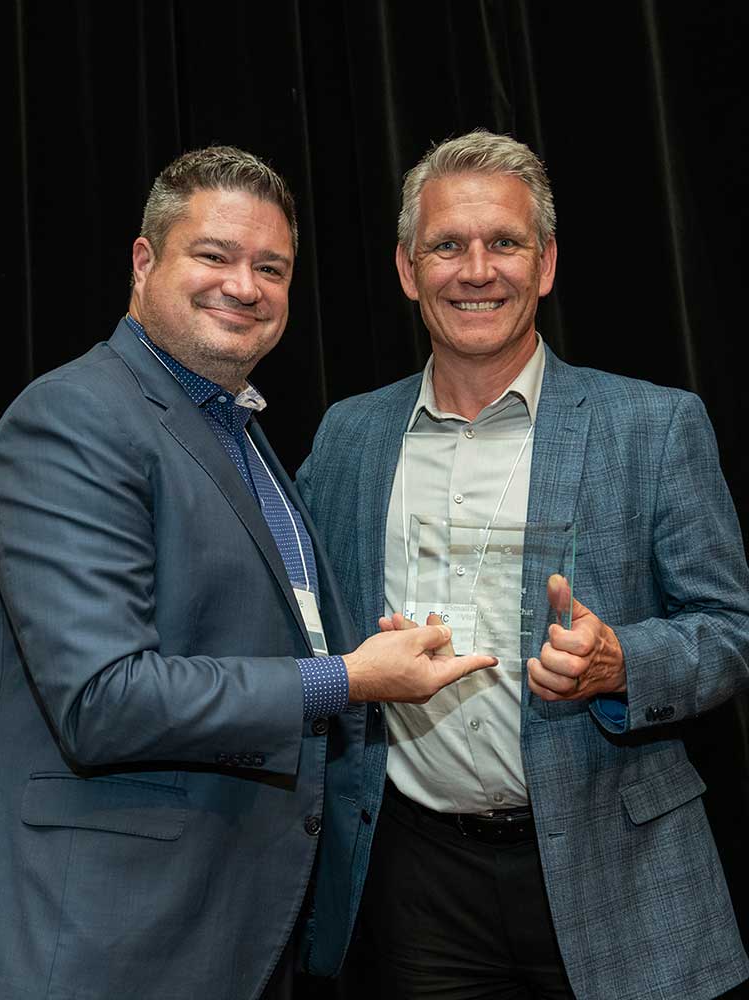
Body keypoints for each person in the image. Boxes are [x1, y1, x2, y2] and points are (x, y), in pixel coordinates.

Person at [0, 145, 496, 1000]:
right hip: (108, 940)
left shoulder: (236, 432)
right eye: (213, 255)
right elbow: (105, 701)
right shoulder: (71, 420)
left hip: (228, 928)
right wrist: (346, 680)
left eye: (270, 267)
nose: (243, 286)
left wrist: (358, 657)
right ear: (144, 261)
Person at [297, 129, 749, 1000]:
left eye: (504, 243)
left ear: (544, 264)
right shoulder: (347, 436)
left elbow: (728, 632)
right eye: (447, 246)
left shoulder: (654, 427)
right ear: (405, 268)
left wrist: (624, 664)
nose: (476, 270)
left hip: (615, 866)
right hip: (414, 881)